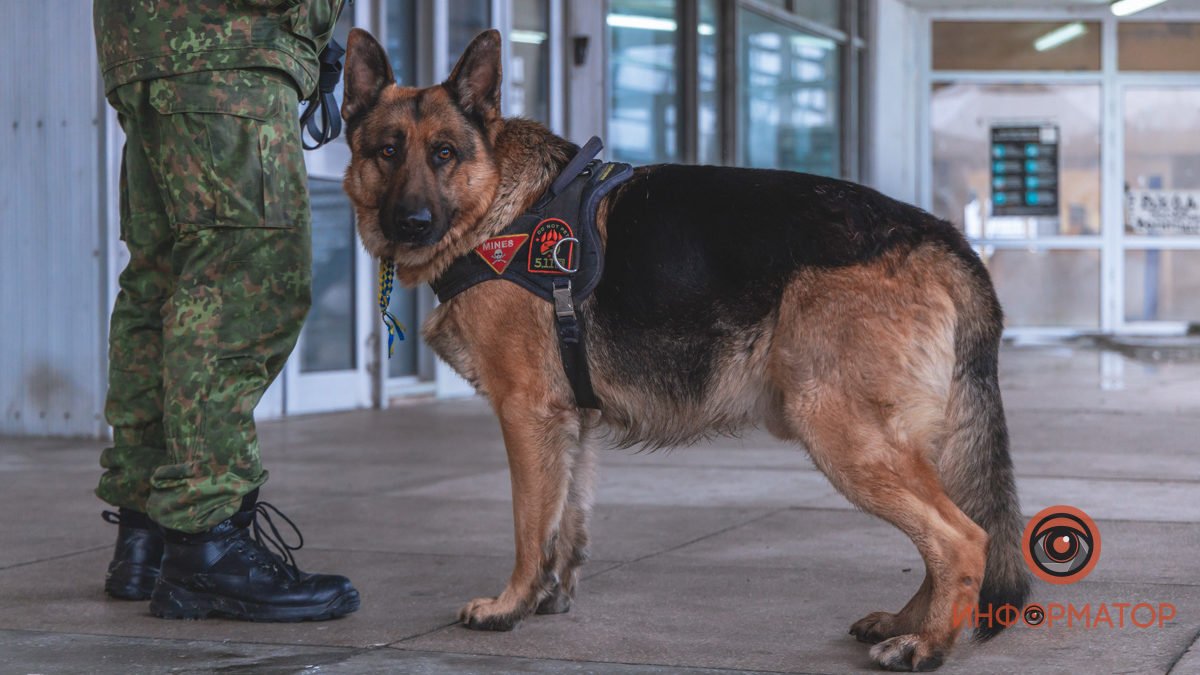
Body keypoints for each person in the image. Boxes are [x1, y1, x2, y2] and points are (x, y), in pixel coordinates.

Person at [93, 0, 359, 621]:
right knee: (246, 277)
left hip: (155, 46)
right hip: (231, 49)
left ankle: (149, 534)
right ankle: (203, 543)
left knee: (161, 284)